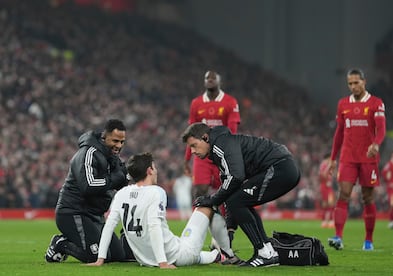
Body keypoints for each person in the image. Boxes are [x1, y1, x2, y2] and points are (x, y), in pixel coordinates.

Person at [87, 152, 240, 269]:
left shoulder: (121, 194)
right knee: (206, 204)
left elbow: (109, 226)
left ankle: (217, 255)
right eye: (155, 167)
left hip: (145, 259)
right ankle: (224, 249)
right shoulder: (156, 192)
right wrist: (163, 262)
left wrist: (100, 258)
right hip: (174, 255)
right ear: (149, 170)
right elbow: (154, 226)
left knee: (196, 253)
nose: (157, 171)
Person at [182, 123, 301, 267]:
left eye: (194, 145)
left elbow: (236, 177)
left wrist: (212, 200)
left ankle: (265, 253)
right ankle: (268, 251)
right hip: (283, 167)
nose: (193, 151)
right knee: (239, 200)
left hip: (279, 167)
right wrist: (230, 229)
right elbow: (230, 191)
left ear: (205, 137)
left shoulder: (220, 145)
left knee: (238, 200)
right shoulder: (220, 146)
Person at [45, 119, 129, 263]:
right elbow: (88, 185)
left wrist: (125, 179)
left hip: (95, 215)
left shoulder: (112, 157)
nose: (118, 146)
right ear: (104, 137)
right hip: (73, 212)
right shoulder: (88, 153)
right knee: (96, 256)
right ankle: (61, 244)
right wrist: (114, 179)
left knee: (117, 256)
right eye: (115, 141)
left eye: (122, 142)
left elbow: (119, 182)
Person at [327, 69, 386, 251]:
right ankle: (338, 237)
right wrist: (333, 158)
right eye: (350, 83)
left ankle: (368, 240)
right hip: (348, 157)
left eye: (356, 82)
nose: (353, 86)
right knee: (343, 194)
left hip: (368, 158)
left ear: (364, 82)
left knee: (367, 198)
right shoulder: (343, 104)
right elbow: (339, 133)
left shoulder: (376, 103)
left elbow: (381, 128)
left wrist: (376, 144)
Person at [184, 70, 241, 247]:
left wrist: (231, 155)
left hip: (221, 153)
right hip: (202, 156)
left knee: (224, 193)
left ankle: (219, 238)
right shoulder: (196, 103)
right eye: (207, 78)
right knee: (199, 191)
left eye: (213, 78)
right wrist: (187, 158)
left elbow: (232, 130)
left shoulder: (230, 102)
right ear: (204, 82)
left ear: (219, 81)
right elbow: (191, 133)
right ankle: (195, 236)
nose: (209, 80)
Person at [319, 153, 335, 228]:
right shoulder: (324, 165)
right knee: (328, 204)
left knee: (328, 203)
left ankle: (325, 221)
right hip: (325, 186)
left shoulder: (324, 165)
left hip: (326, 186)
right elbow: (323, 175)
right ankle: (329, 221)